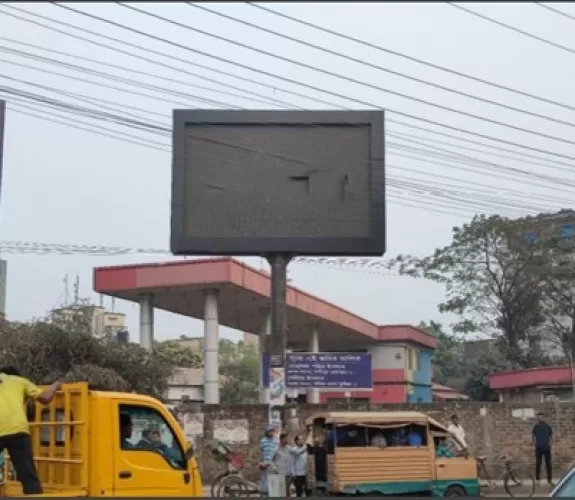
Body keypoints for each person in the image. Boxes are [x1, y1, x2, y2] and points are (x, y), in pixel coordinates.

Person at [0, 366, 61, 495]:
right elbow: (45, 398)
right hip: (17, 430)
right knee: (26, 472)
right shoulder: (20, 381)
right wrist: (55, 385)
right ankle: (33, 494)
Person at [532, 412, 553, 486]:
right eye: (539, 417)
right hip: (538, 449)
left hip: (547, 448)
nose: (540, 418)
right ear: (537, 418)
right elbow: (533, 437)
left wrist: (550, 444)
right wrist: (535, 444)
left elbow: (551, 436)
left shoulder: (548, 427)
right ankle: (537, 480)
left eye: (542, 417)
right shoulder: (535, 427)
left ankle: (549, 480)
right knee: (538, 464)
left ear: (544, 418)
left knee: (548, 464)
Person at [259, 425, 277, 497]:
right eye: (270, 431)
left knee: (272, 479)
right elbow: (261, 452)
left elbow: (276, 453)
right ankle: (263, 495)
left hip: (272, 462)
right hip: (264, 461)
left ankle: (271, 494)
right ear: (266, 432)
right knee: (264, 479)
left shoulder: (275, 441)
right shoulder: (263, 441)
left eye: (272, 431)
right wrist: (260, 462)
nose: (271, 432)